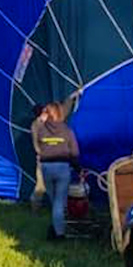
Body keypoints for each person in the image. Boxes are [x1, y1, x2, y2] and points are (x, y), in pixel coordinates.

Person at [33, 102, 80, 241]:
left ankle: (55, 227)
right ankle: (60, 234)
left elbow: (38, 143)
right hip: (62, 168)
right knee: (60, 202)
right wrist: (78, 168)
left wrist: (41, 119)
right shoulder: (67, 131)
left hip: (46, 167)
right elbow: (74, 153)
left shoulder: (40, 130)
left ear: (46, 114)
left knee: (54, 200)